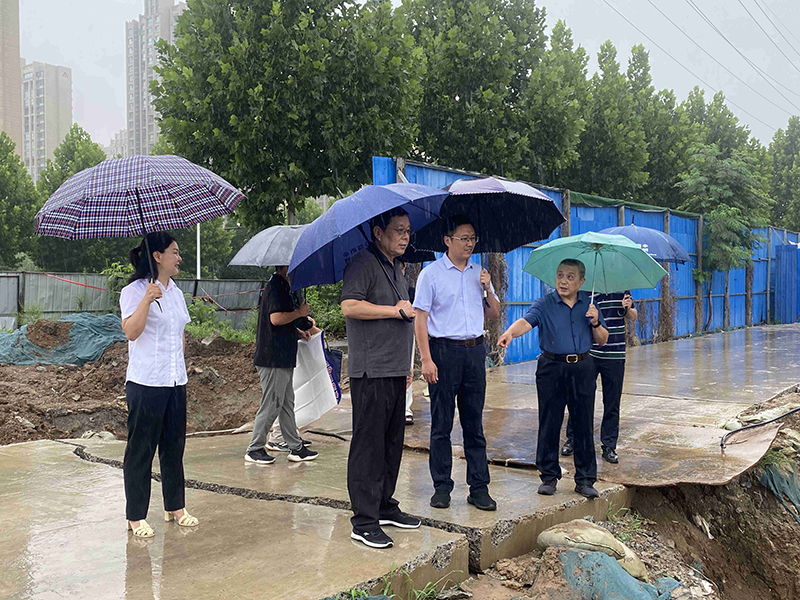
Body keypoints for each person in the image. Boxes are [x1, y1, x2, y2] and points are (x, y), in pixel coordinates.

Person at [340, 207, 421, 549]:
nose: (405, 236)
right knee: (368, 446)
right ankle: (364, 520)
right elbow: (349, 306)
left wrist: (406, 366)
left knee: (391, 444)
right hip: (371, 371)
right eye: (398, 230)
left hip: (395, 370)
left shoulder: (395, 267)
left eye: (407, 231)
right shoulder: (362, 263)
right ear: (378, 232)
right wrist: (393, 310)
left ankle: (384, 505)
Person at [497, 259, 608, 499]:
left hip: (582, 367)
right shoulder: (545, 304)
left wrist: (596, 322)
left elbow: (602, 339)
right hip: (551, 367)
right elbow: (526, 322)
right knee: (549, 421)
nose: (563, 281)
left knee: (583, 423)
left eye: (570, 276)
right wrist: (510, 333)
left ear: (581, 281)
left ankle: (585, 479)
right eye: (560, 275)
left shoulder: (590, 305)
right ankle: (548, 476)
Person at [413, 215, 501, 512]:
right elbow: (420, 319)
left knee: (474, 424)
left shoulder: (479, 273)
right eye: (464, 238)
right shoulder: (431, 274)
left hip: (474, 352)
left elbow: (494, 314)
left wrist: (487, 288)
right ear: (447, 241)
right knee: (441, 424)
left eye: (473, 238)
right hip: (443, 352)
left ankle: (479, 488)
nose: (470, 244)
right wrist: (426, 359)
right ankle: (441, 487)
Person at [120, 232, 199, 538]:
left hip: (175, 380)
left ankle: (175, 507)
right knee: (141, 449)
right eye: (174, 252)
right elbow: (131, 332)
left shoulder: (176, 293)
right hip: (146, 381)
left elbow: (180, 333)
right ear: (157, 256)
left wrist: (179, 365)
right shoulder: (134, 291)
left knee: (174, 447)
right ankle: (135, 516)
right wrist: (146, 300)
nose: (179, 258)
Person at [244, 266, 319, 465]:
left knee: (286, 403)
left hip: (283, 356)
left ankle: (296, 447)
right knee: (272, 403)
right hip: (273, 358)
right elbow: (276, 318)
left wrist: (298, 331)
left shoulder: (285, 287)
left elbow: (282, 322)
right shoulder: (276, 287)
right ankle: (255, 448)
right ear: (285, 265)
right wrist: (299, 312)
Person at [562, 291, 637, 464]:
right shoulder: (585, 292)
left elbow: (633, 316)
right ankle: (573, 438)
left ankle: (609, 445)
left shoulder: (622, 290)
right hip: (589, 352)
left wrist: (627, 308)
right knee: (580, 397)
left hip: (615, 353)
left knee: (612, 402)